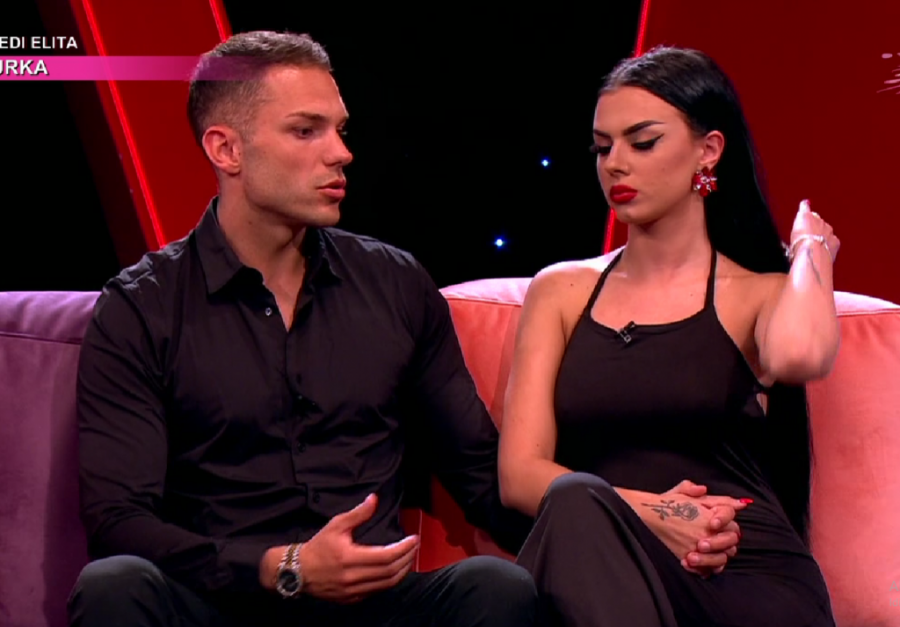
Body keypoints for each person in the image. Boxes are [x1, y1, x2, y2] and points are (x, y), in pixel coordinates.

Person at [67, 30, 537, 627]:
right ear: (226, 150)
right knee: (112, 587)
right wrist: (279, 567)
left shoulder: (394, 284)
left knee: (494, 588)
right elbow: (118, 521)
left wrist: (614, 524)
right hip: (219, 602)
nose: (341, 153)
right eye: (306, 131)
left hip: (374, 608)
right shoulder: (143, 308)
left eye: (340, 130)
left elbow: (478, 471)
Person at [498, 46, 840, 627]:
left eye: (643, 142)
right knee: (574, 502)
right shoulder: (559, 291)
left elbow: (802, 355)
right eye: (602, 148)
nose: (615, 164)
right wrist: (653, 513)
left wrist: (811, 249)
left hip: (744, 573)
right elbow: (520, 475)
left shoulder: (757, 293)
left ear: (709, 150)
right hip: (610, 569)